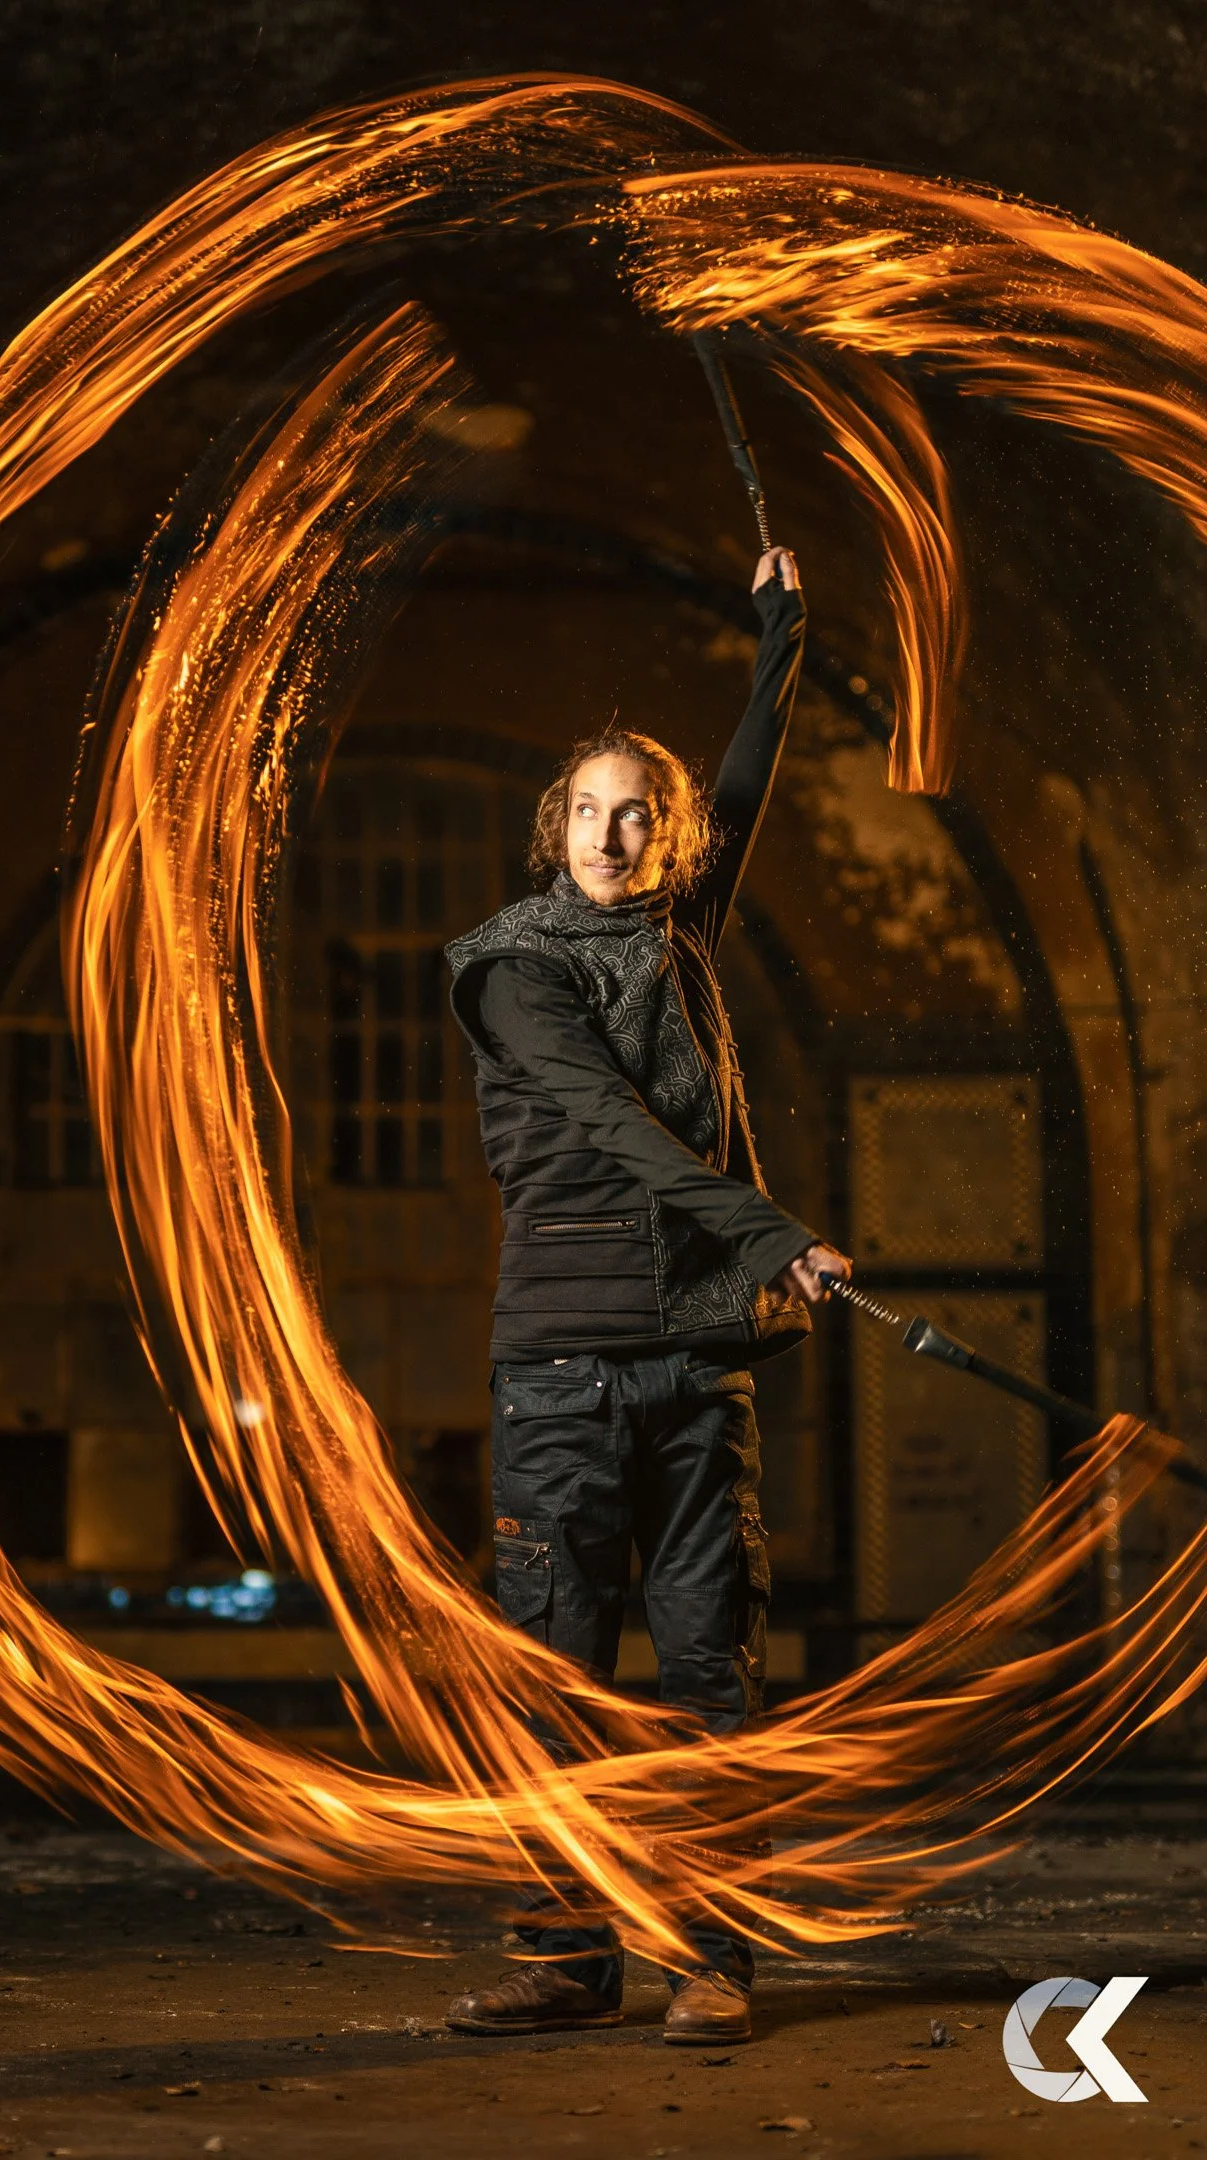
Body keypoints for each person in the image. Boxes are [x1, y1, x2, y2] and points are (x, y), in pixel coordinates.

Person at [441, 544, 851, 2046]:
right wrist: (770, 1232)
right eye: (593, 814)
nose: (615, 838)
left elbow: (743, 784)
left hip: (701, 1373)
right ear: (556, 826)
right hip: (561, 1374)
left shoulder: (679, 929)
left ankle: (711, 1958)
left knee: (711, 1679)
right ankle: (562, 1958)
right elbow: (617, 1124)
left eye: (640, 818)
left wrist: (781, 631)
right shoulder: (509, 971)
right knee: (561, 1683)